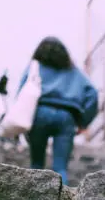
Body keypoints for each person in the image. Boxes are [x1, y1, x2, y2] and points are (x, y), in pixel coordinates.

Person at [17, 36, 99, 185]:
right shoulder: (73, 70)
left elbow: (22, 91)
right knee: (60, 167)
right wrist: (83, 121)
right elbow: (92, 94)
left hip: (39, 114)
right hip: (66, 117)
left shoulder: (35, 66)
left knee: (36, 164)